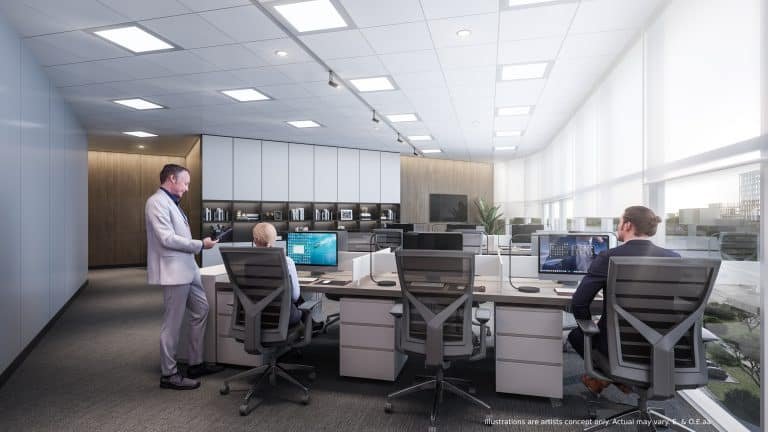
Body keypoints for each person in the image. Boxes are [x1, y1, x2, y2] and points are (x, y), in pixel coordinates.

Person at [567, 206, 679, 395]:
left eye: (619, 222)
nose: (618, 227)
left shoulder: (608, 257)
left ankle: (610, 379)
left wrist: (592, 326)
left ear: (627, 224)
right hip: (662, 349)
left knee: (577, 335)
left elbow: (578, 303)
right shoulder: (674, 258)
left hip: (618, 349)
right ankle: (618, 381)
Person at [146, 164, 223, 390]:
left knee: (202, 310)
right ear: (172, 178)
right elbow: (166, 238)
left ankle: (195, 363)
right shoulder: (156, 202)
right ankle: (168, 374)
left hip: (189, 270)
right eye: (186, 183)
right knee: (172, 324)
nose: (187, 188)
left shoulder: (173, 204)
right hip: (174, 273)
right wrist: (201, 244)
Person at [251, 223, 325, 328]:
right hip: (283, 316)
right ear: (274, 239)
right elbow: (295, 296)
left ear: (254, 240)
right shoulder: (286, 261)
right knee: (297, 299)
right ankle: (311, 326)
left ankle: (312, 325)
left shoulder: (248, 262)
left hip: (255, 316)